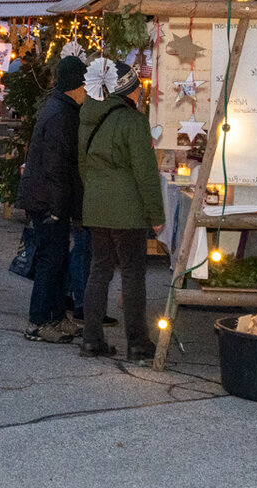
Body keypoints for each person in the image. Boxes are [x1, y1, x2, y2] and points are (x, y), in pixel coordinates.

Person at [76, 58, 164, 362]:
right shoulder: (133, 121)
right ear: (127, 89)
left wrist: (97, 194)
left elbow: (83, 166)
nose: (141, 93)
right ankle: (138, 343)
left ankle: (91, 339)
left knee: (99, 270)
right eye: (139, 88)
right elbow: (145, 173)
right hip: (128, 211)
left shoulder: (87, 118)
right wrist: (156, 215)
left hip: (96, 208)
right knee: (132, 274)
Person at [19, 55, 88, 342]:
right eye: (85, 84)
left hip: (47, 197)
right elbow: (56, 166)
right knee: (50, 260)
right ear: (76, 85)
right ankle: (37, 322)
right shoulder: (61, 114)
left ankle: (57, 316)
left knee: (57, 260)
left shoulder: (62, 108)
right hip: (48, 200)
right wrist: (58, 209)